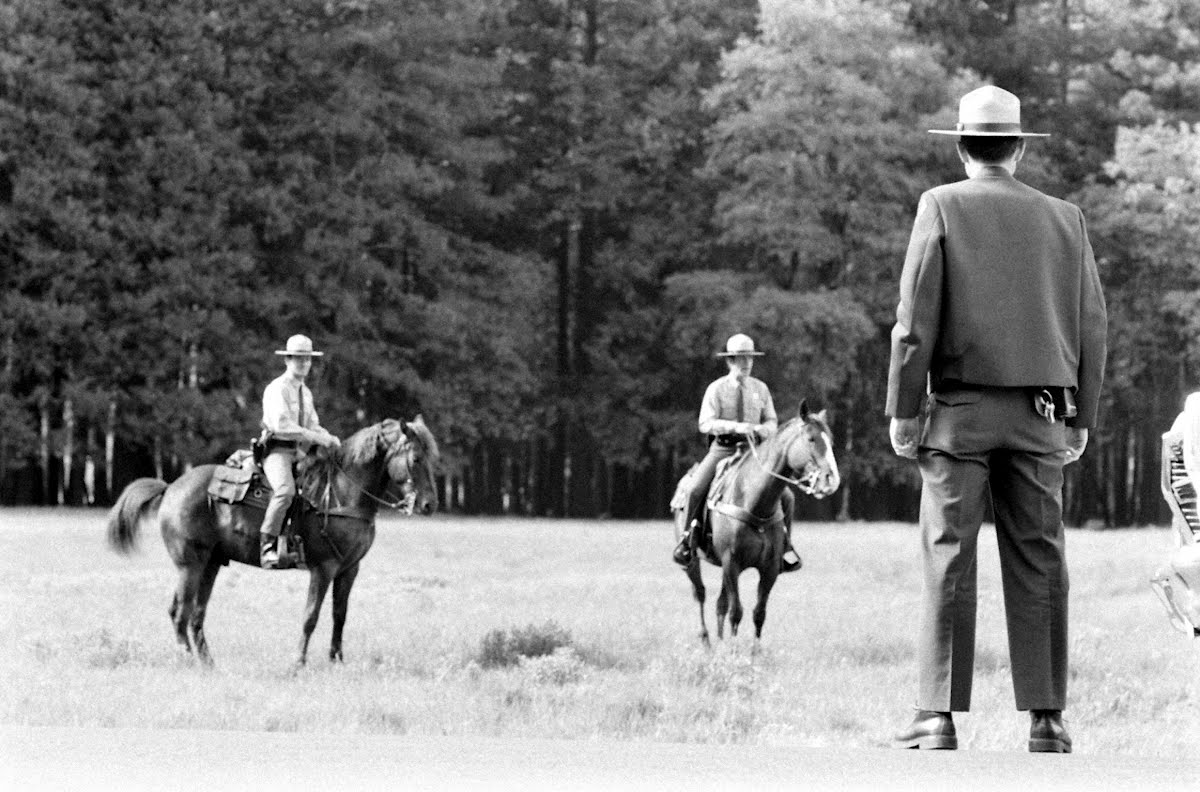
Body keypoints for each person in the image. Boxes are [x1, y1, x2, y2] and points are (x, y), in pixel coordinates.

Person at [885, 86, 1107, 753]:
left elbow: (912, 320)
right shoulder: (1065, 218)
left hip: (959, 414)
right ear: (1016, 147)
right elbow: (1093, 323)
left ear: (961, 145)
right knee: (1041, 559)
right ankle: (1046, 718)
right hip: (1041, 415)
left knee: (949, 554)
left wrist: (901, 408)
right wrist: (1082, 417)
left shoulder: (941, 205)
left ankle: (936, 717)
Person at [672, 333, 802, 572]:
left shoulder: (761, 389)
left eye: (750, 358)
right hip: (723, 448)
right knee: (695, 488)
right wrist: (738, 427)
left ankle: (784, 547)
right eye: (741, 358)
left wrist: (765, 429)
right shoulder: (717, 389)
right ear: (730, 361)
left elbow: (772, 420)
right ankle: (688, 540)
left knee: (788, 497)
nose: (747, 363)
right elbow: (705, 423)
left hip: (754, 453)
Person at [259, 334, 341, 569]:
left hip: (297, 453)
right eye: (298, 359)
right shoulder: (277, 388)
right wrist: (315, 437)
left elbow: (312, 425)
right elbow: (281, 426)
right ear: (287, 360)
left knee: (318, 492)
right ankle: (266, 546)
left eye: (307, 359)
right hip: (276, 450)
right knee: (285, 491)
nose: (304, 363)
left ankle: (299, 545)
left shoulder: (305, 393)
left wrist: (329, 437)